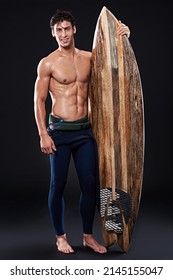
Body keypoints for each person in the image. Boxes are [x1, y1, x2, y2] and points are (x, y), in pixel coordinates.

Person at [34, 9, 130, 254]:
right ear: (53, 33)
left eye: (67, 29)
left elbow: (115, 65)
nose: (63, 34)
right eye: (59, 30)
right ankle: (60, 237)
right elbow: (39, 100)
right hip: (59, 133)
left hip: (84, 132)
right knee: (58, 185)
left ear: (74, 30)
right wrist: (43, 134)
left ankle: (88, 236)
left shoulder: (90, 58)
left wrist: (124, 36)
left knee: (90, 185)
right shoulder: (48, 63)